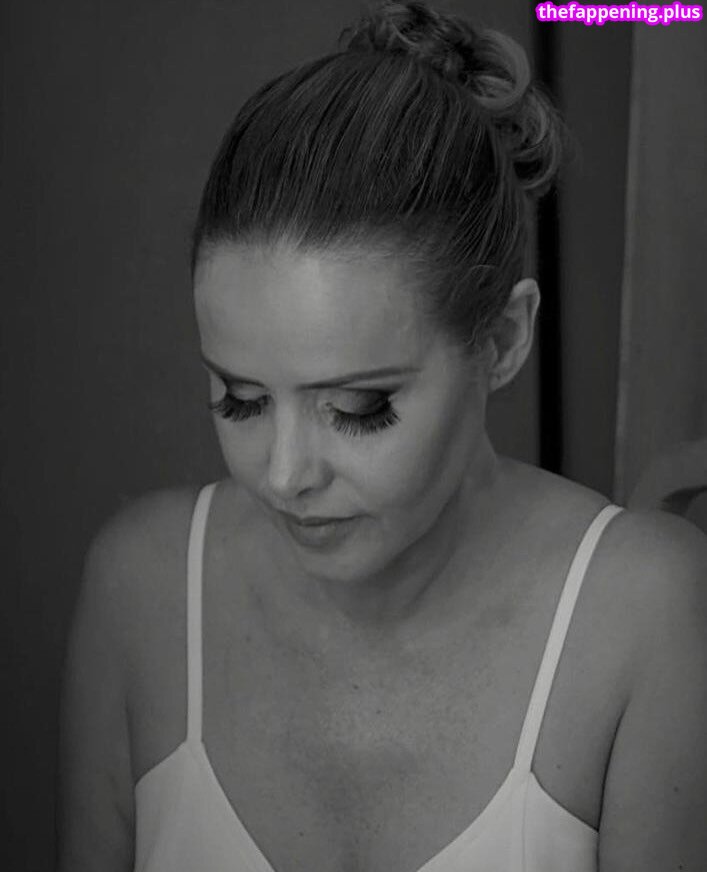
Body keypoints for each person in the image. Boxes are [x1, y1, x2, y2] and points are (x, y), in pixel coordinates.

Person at [57, 2, 707, 870]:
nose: (284, 475)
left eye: (358, 407)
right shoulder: (139, 587)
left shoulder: (642, 611)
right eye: (240, 399)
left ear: (501, 341)